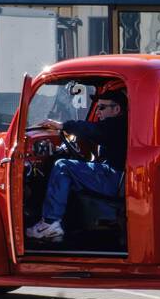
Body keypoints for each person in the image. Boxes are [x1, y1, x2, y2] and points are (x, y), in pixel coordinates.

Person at [25, 88, 128, 243]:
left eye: (102, 107)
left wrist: (63, 126)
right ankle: (72, 226)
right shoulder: (116, 125)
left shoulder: (115, 125)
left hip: (114, 177)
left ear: (117, 109)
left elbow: (91, 129)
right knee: (72, 171)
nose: (98, 112)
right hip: (116, 176)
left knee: (63, 166)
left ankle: (50, 223)